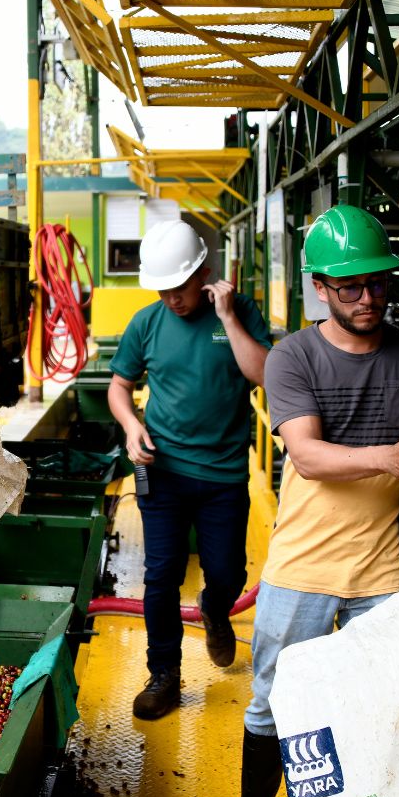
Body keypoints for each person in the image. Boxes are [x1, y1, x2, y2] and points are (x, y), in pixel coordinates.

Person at [201, 204, 399, 797]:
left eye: (379, 283)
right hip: (302, 565)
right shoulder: (292, 359)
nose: (368, 297)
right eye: (351, 286)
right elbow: (306, 455)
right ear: (322, 288)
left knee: (382, 700)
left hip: (384, 570)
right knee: (272, 698)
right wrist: (391, 455)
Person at [107, 219, 271, 723]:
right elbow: (119, 386)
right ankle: (164, 675)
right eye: (163, 289)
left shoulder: (240, 312)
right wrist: (132, 427)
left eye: (179, 287)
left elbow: (265, 374)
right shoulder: (147, 323)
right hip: (164, 471)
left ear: (204, 270)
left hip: (223, 474)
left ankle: (216, 607)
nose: (172, 299)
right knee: (161, 576)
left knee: (227, 573)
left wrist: (227, 316)